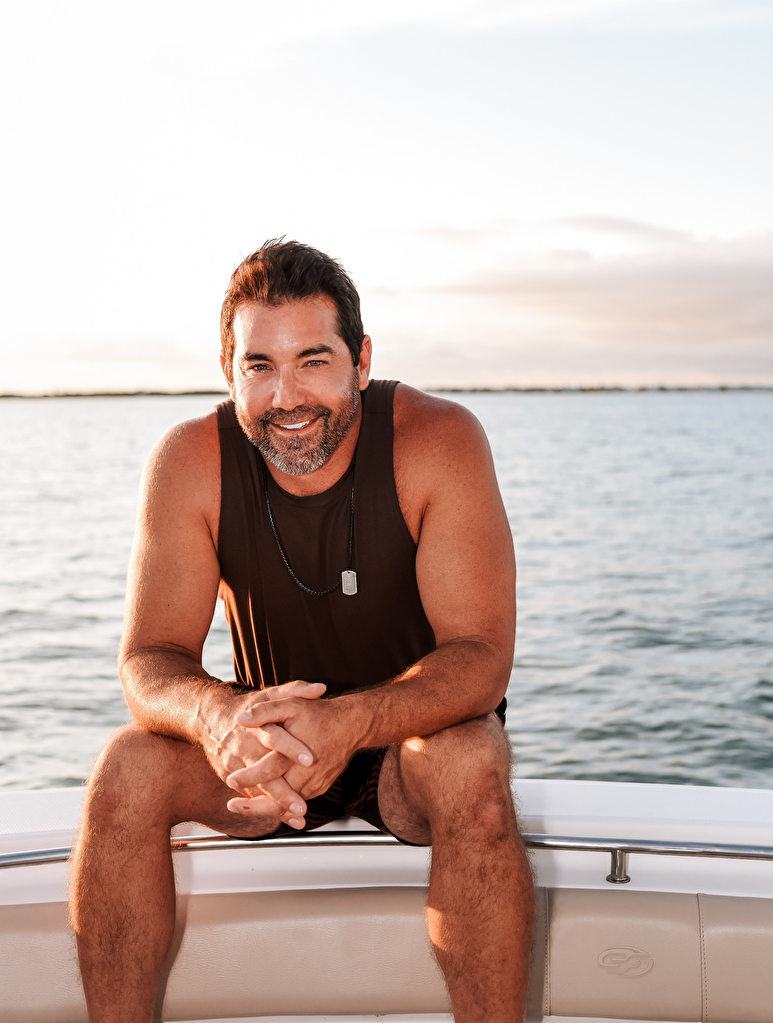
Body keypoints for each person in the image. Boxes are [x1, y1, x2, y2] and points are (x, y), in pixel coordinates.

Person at [69, 239, 535, 1022]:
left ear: (360, 361)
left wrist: (349, 721)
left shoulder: (438, 439)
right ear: (229, 369)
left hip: (409, 743)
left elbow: (480, 657)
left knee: (472, 762)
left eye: (313, 361)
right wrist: (218, 718)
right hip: (269, 748)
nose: (286, 396)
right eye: (259, 365)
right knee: (126, 767)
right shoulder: (189, 459)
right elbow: (149, 659)